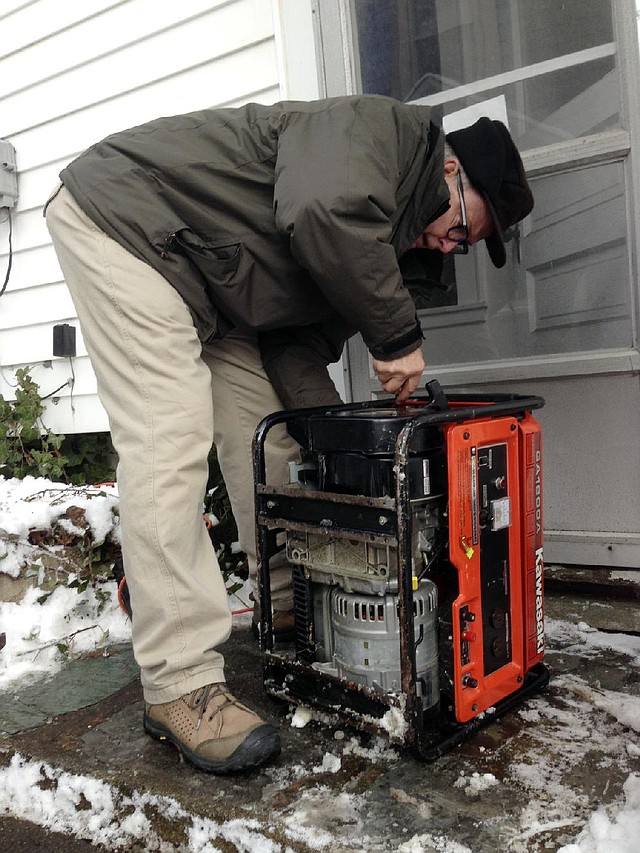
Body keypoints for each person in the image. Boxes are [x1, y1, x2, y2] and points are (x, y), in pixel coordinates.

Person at [44, 94, 533, 775]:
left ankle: (292, 615)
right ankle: (179, 681)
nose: (452, 246)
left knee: (274, 444)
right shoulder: (385, 133)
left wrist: (349, 448)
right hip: (132, 225)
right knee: (169, 436)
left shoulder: (386, 242)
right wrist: (396, 335)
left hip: (214, 289)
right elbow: (318, 209)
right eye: (461, 228)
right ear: (451, 170)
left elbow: (297, 355)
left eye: (466, 245)